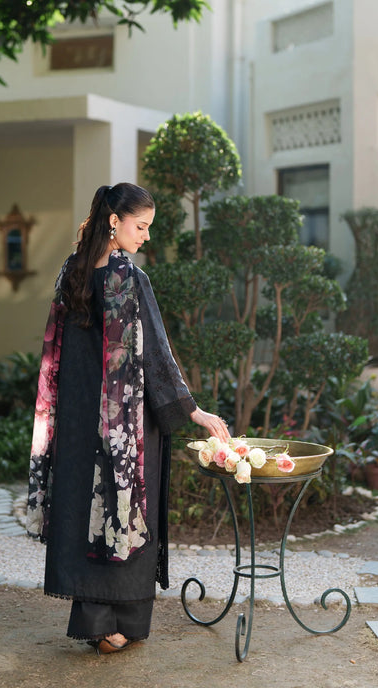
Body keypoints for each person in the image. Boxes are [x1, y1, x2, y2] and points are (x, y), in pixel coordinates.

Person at [27, 182, 229, 654]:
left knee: (89, 510)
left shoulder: (72, 272)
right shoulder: (128, 278)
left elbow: (56, 351)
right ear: (115, 221)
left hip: (79, 421)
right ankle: (121, 624)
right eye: (142, 226)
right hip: (127, 425)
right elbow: (156, 355)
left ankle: (97, 623)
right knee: (126, 510)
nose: (146, 236)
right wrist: (192, 410)